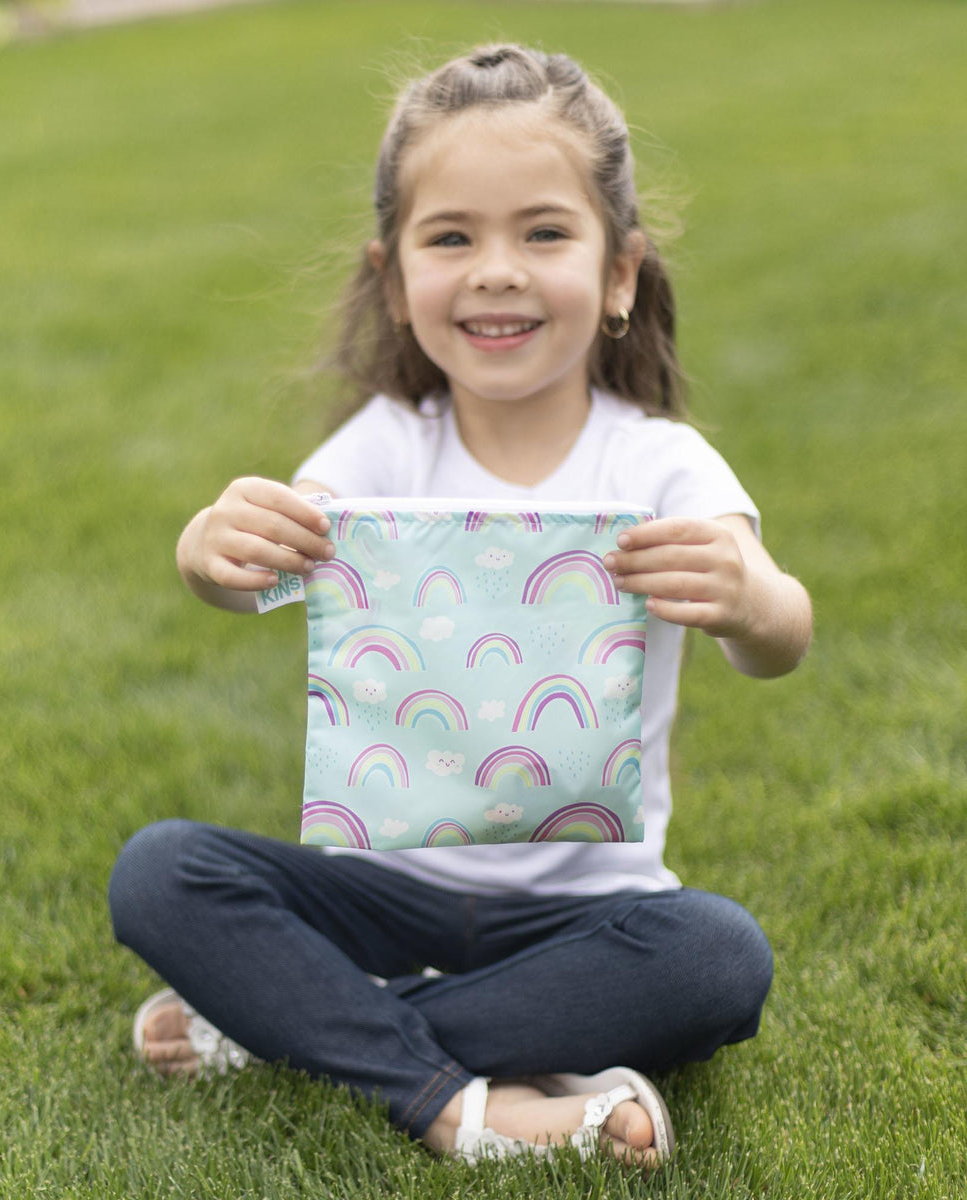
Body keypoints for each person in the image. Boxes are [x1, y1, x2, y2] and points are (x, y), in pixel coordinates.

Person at [108, 43, 812, 1167]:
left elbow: (781, 638)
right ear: (395, 280)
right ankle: (470, 1107)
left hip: (589, 907)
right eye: (452, 238)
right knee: (159, 870)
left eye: (543, 232)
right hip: (384, 890)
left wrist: (749, 596)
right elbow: (266, 564)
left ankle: (296, 1028)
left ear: (620, 271)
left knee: (716, 959)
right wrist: (210, 549)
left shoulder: (663, 465)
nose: (495, 270)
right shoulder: (386, 447)